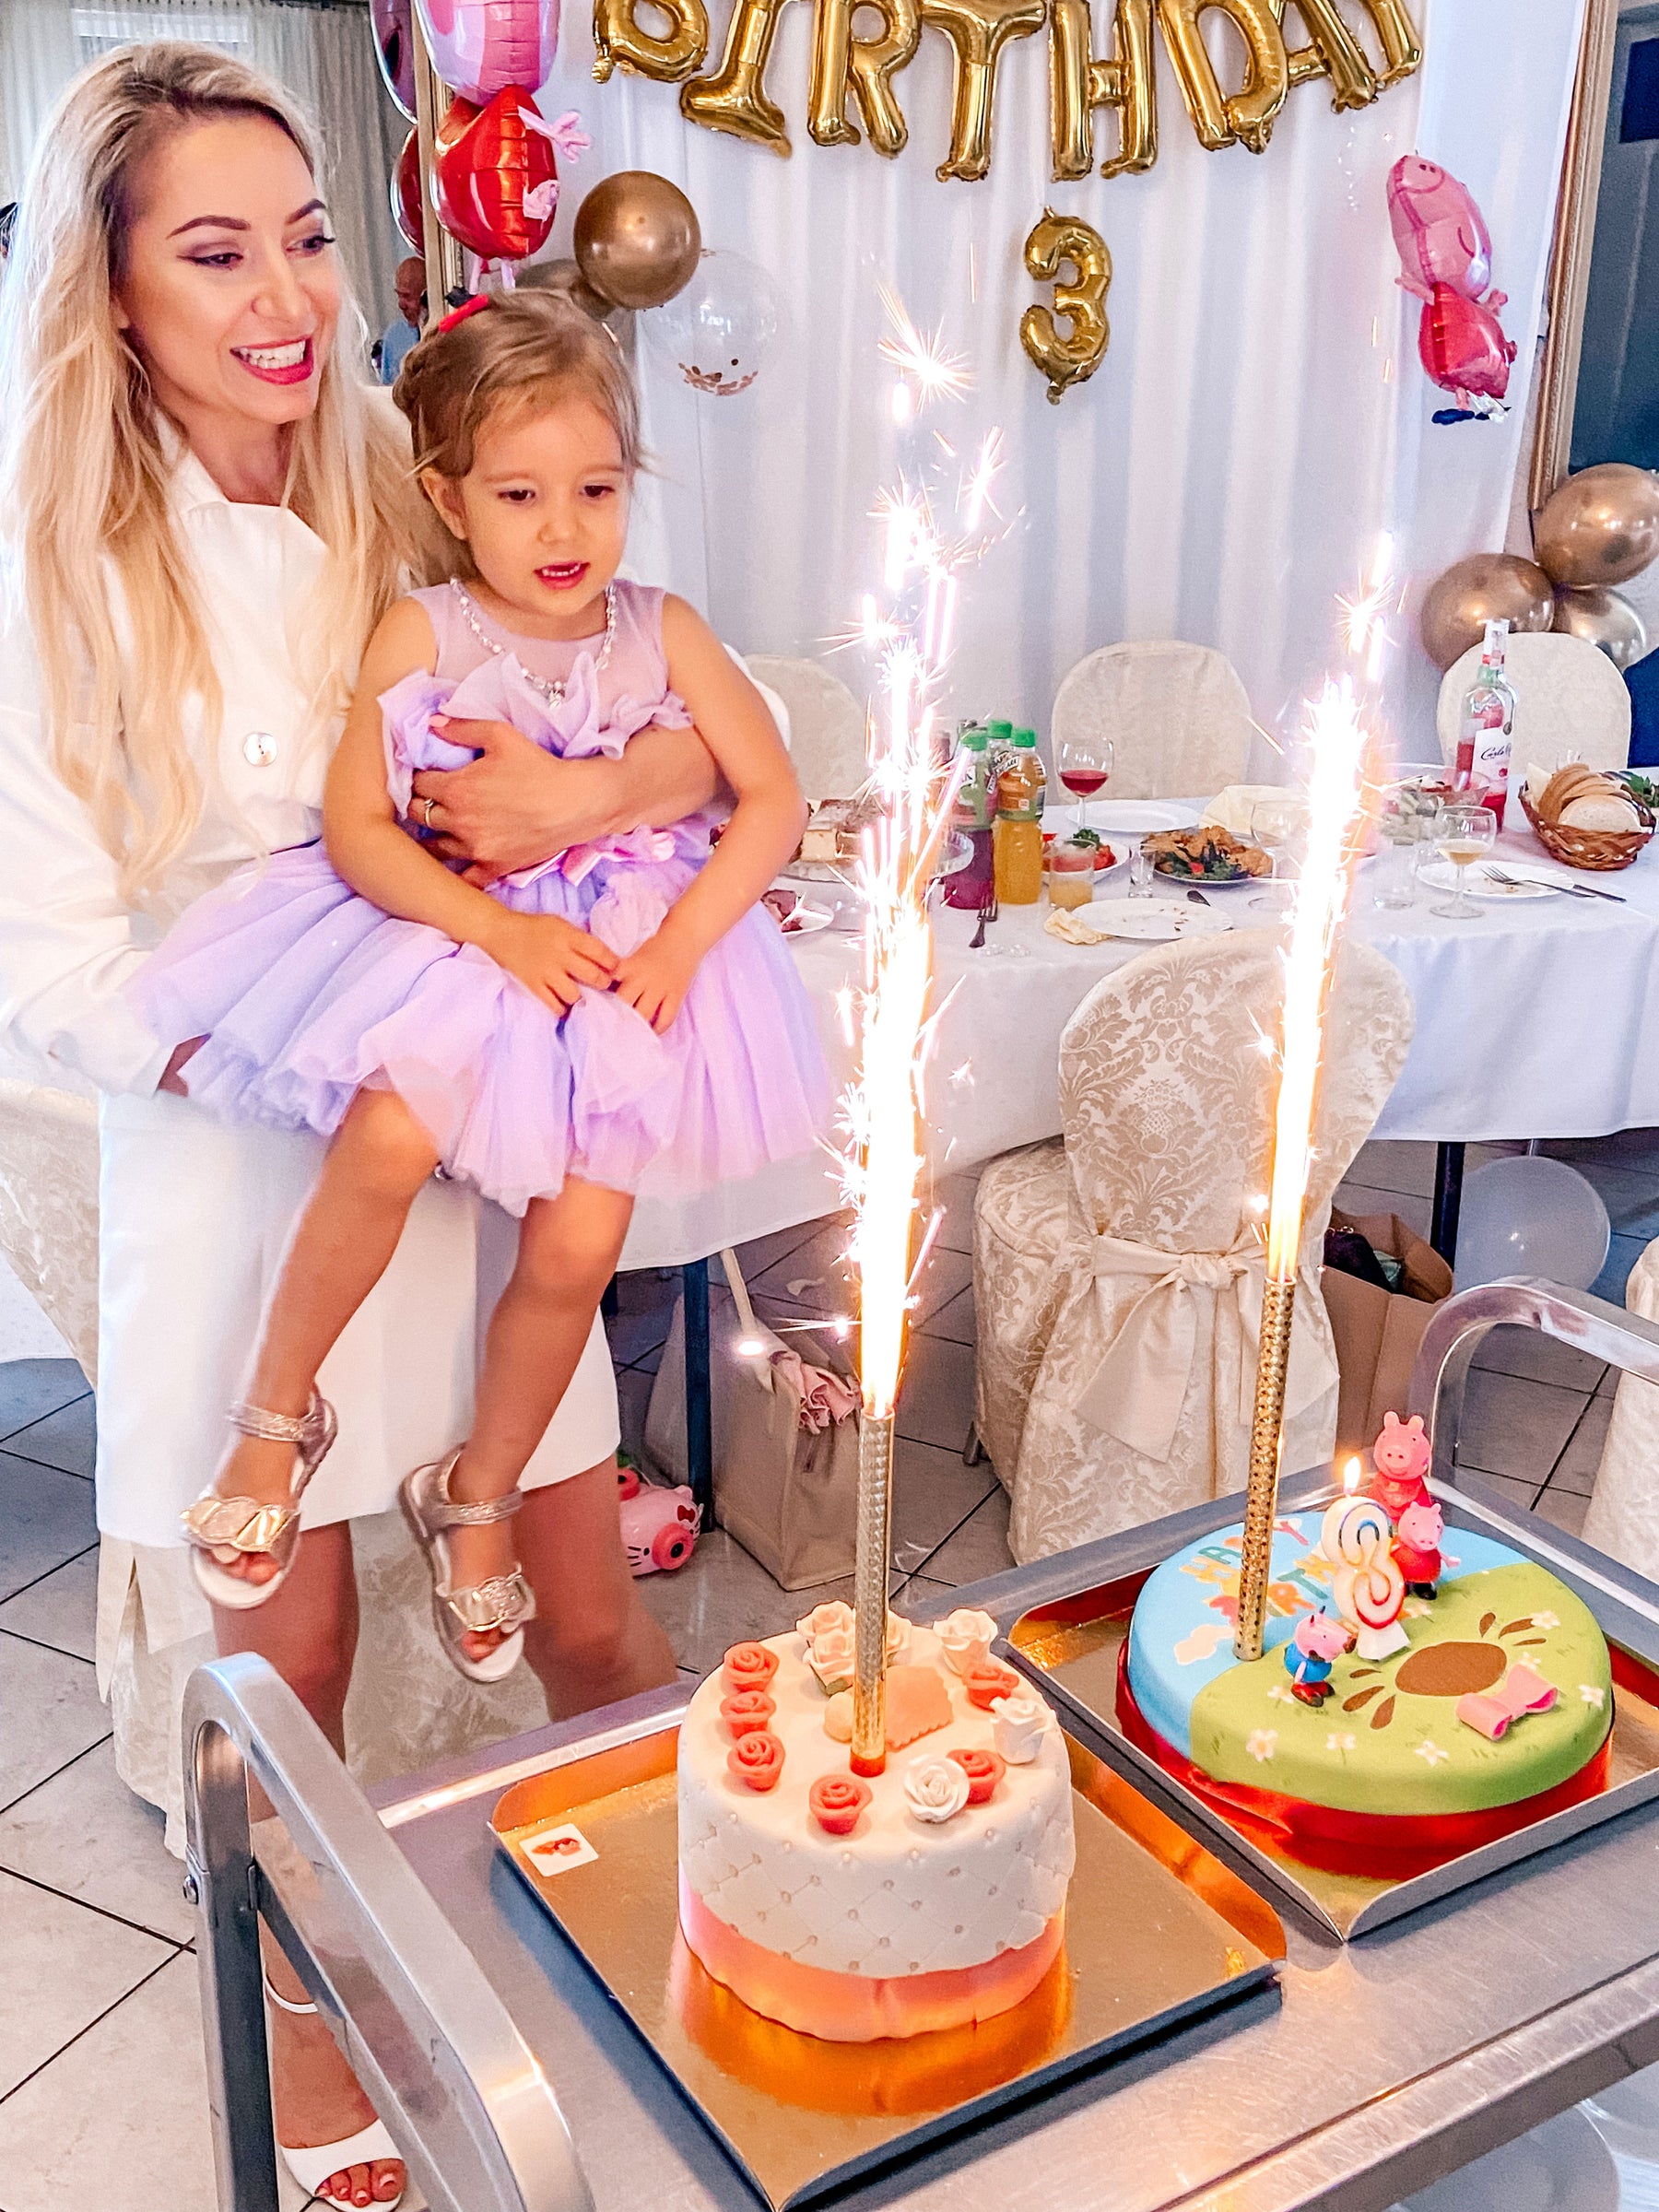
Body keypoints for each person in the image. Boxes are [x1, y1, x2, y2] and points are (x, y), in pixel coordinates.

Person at [0, 43, 718, 2208]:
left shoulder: (406, 485)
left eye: (308, 238)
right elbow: (47, 958)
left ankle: (692, 1912)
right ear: (112, 291)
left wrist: (582, 803)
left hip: (472, 1118)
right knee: (293, 1654)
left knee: (582, 1593)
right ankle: (305, 2032)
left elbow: (678, 704)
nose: (286, 296)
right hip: (247, 1158)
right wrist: (300, 1050)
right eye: (216, 253)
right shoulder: (50, 571)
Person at [135, 288, 826, 1676]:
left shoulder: (665, 628)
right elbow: (359, 832)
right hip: (464, 945)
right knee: (388, 1136)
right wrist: (498, 935)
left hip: (620, 974)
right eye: (520, 494)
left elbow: (774, 800)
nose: (564, 528)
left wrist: (680, 947)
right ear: (450, 498)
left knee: (578, 1249)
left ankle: (479, 1492)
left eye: (597, 488)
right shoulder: (426, 631)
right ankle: (275, 1417)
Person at [377, 253, 424, 384]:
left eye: (407, 296)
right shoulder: (393, 336)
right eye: (399, 295)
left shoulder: (445, 335)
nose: (401, 305)